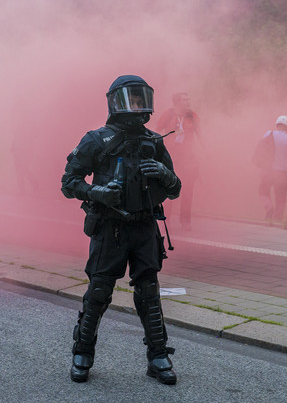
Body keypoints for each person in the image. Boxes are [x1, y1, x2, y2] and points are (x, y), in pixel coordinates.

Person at [61, 75, 181, 385]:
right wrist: (97, 193)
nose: (138, 106)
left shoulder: (154, 142)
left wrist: (166, 174)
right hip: (110, 227)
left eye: (142, 99)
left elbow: (176, 188)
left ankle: (158, 357)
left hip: (144, 226)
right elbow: (68, 183)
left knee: (149, 293)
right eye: (133, 99)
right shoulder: (97, 140)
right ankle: (82, 352)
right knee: (99, 292)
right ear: (116, 101)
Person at [157, 92, 202, 231]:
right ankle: (166, 221)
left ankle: (185, 222)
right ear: (176, 102)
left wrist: (204, 152)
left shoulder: (192, 116)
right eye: (185, 100)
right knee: (167, 189)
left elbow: (200, 135)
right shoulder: (168, 114)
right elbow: (157, 131)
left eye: (188, 100)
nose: (188, 103)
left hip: (188, 159)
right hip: (171, 158)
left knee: (188, 190)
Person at [258, 115, 287, 223]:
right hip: (280, 173)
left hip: (267, 170)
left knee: (263, 191)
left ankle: (268, 206)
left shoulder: (268, 134)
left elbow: (260, 149)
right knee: (280, 197)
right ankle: (277, 220)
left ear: (277, 125)